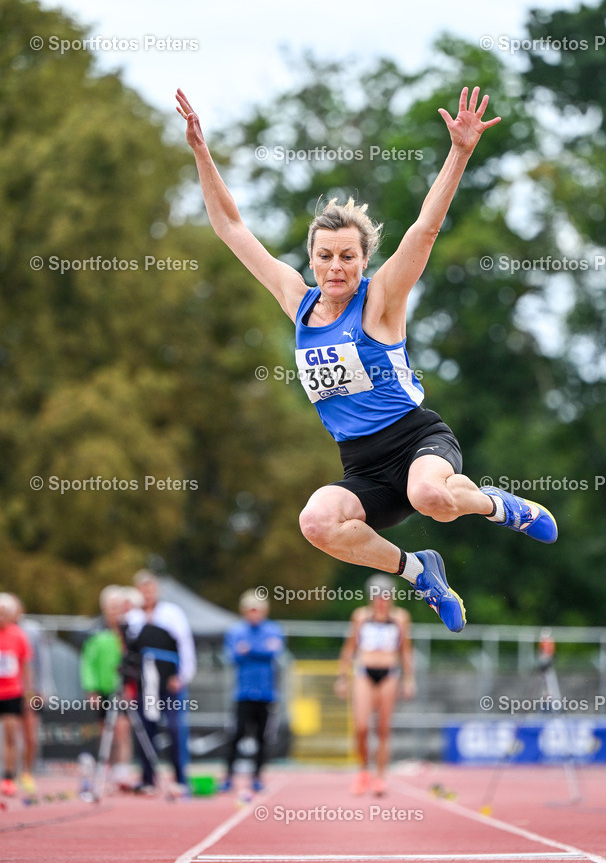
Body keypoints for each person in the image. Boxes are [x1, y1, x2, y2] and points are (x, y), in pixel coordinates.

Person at [176, 86, 557, 634]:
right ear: (311, 259)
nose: (336, 267)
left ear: (363, 260)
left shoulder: (379, 301)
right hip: (362, 465)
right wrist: (200, 151)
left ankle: (501, 508)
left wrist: (460, 153)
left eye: (348, 257)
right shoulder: (297, 300)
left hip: (415, 438)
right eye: (325, 256)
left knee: (430, 495)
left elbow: (424, 232)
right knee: (316, 522)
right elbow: (232, 228)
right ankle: (419, 572)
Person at [335, 575, 415, 795]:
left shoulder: (400, 618)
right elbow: (349, 648)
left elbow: (406, 650)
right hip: (364, 672)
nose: (382, 601)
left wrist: (409, 679)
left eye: (386, 596)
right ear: (371, 597)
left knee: (383, 729)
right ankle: (363, 771)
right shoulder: (361, 617)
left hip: (389, 674)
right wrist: (342, 677)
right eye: (378, 596)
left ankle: (380, 777)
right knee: (361, 727)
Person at [124, 571, 196, 793]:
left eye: (150, 588)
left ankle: (181, 778)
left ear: (157, 590)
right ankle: (148, 779)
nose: (147, 593)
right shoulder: (132, 618)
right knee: (146, 730)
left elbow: (185, 645)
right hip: (146, 684)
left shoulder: (172, 614)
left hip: (170, 682)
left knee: (175, 728)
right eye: (142, 589)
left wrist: (182, 675)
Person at [223, 589, 285, 792]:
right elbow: (234, 655)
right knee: (236, 734)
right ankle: (228, 776)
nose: (254, 614)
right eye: (250, 610)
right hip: (243, 693)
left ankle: (257, 777)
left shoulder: (273, 629)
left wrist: (250, 650)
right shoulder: (236, 631)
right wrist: (260, 651)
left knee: (262, 738)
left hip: (267, 693)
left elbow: (273, 652)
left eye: (257, 610)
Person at [79, 586, 133, 788]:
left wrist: (130, 686)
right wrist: (91, 688)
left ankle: (122, 770)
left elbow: (133, 662)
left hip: (123, 689)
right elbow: (88, 663)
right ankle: (105, 769)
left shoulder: (129, 633)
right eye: (111, 607)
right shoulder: (95, 633)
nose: (114, 611)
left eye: (118, 606)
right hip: (102, 689)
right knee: (105, 730)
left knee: (122, 728)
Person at [10, 596, 52, 794]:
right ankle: (10, 774)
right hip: (9, 690)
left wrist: (41, 689)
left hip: (29, 689)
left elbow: (41, 662)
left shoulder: (32, 630)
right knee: (10, 734)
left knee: (30, 735)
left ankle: (27, 772)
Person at [0, 593, 33, 797]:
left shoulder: (18, 635)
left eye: (4, 614)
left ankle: (9, 776)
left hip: (12, 692)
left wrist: (28, 691)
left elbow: (26, 665)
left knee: (11, 734)